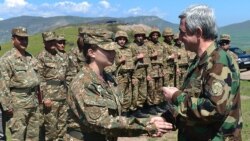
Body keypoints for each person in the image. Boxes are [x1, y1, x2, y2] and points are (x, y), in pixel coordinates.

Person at [155, 4, 242, 140]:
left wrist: (176, 96)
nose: (179, 37)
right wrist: (167, 119)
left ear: (198, 33)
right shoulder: (200, 60)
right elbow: (192, 97)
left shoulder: (219, 62)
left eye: (182, 32)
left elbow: (213, 109)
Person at [67, 29, 172, 141]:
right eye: (107, 50)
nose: (113, 53)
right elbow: (102, 122)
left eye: (114, 50)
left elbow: (115, 115)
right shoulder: (84, 82)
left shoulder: (108, 78)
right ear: (91, 53)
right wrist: (146, 126)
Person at [0, 26, 40, 141]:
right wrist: (7, 106)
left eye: (26, 39)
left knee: (33, 136)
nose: (24, 41)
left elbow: (37, 80)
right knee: (18, 136)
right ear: (13, 40)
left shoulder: (30, 57)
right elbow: (3, 85)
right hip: (18, 105)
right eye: (20, 39)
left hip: (33, 103)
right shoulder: (6, 59)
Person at [37, 31, 69, 141]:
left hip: (63, 95)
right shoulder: (41, 57)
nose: (52, 43)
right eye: (49, 41)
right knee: (51, 128)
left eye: (53, 41)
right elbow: (40, 79)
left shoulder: (62, 55)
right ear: (44, 42)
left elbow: (68, 73)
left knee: (62, 126)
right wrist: (45, 97)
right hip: (50, 98)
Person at [129, 26, 152, 118]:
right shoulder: (131, 47)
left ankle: (139, 109)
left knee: (143, 93)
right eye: (138, 36)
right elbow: (127, 61)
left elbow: (148, 61)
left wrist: (149, 74)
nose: (140, 37)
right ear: (135, 37)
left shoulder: (145, 46)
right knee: (135, 94)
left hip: (144, 72)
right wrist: (136, 58)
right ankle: (133, 111)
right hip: (135, 73)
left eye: (142, 36)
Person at [145, 27, 165, 114]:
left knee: (158, 89)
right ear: (150, 36)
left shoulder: (160, 45)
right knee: (151, 89)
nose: (155, 36)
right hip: (151, 69)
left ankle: (157, 105)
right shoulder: (147, 45)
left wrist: (164, 69)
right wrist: (151, 55)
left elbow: (163, 58)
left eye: (157, 35)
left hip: (159, 70)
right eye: (153, 35)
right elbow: (145, 58)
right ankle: (150, 106)